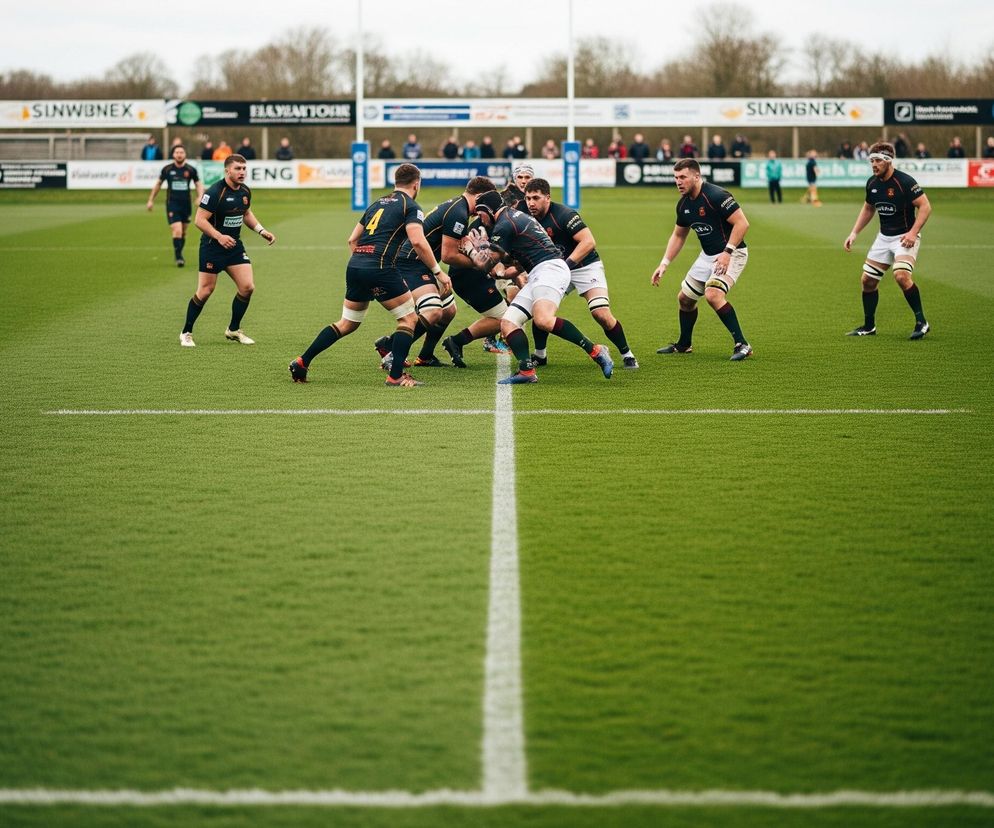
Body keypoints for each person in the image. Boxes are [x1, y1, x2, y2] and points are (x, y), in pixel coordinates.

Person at [289, 163, 441, 387]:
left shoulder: (377, 203)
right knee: (409, 318)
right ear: (416, 184)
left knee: (347, 323)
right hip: (380, 266)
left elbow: (352, 240)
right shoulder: (411, 206)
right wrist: (438, 272)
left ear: (395, 182)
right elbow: (418, 241)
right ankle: (396, 376)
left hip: (356, 265)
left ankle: (303, 360)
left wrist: (364, 264)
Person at [460, 190, 614, 385]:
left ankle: (597, 351)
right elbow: (509, 260)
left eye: (480, 214)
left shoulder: (504, 224)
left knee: (543, 320)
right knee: (508, 323)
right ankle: (526, 371)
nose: (479, 219)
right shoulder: (512, 218)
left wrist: (472, 250)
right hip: (540, 272)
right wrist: (490, 257)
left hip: (550, 269)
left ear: (488, 210)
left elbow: (487, 265)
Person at [376, 177, 507, 371]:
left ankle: (425, 356)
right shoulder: (458, 212)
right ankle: (391, 348)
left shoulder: (458, 206)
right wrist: (481, 264)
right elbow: (449, 256)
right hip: (410, 263)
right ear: (479, 196)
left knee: (448, 311)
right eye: (485, 201)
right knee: (434, 312)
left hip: (421, 264)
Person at [523, 178, 638, 369]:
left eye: (536, 198)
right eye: (528, 198)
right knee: (540, 309)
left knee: (601, 313)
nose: (531, 203)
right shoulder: (526, 217)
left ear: (548, 198)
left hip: (585, 266)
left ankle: (627, 354)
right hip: (554, 268)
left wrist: (565, 265)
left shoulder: (565, 214)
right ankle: (540, 355)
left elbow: (588, 242)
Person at [650, 158, 753, 362]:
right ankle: (684, 344)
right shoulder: (684, 205)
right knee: (685, 299)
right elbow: (679, 235)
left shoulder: (716, 195)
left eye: (683, 177)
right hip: (707, 256)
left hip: (733, 253)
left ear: (696, 176)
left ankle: (743, 344)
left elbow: (742, 223)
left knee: (713, 295)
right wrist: (664, 263)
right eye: (676, 178)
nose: (678, 182)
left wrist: (727, 252)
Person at [179, 154, 276, 348]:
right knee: (206, 291)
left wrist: (261, 230)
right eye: (237, 169)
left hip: (234, 247)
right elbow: (199, 220)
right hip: (212, 247)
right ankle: (186, 332)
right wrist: (219, 236)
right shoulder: (215, 192)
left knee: (247, 287)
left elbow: (246, 213)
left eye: (244, 168)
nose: (242, 172)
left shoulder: (245, 191)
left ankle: (233, 330)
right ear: (227, 171)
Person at [843, 141, 932, 340]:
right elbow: (868, 208)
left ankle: (921, 322)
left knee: (901, 275)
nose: (873, 165)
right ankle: (869, 326)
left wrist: (912, 233)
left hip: (905, 237)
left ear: (888, 161)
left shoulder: (905, 182)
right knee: (867, 281)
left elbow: (925, 207)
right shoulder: (872, 183)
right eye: (871, 161)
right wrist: (854, 233)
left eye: (877, 161)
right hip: (884, 237)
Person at [146, 144, 205, 268]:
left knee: (183, 232)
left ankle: (179, 252)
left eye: (181, 152)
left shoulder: (190, 170)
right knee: (177, 229)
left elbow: (199, 184)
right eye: (177, 152)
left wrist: (200, 197)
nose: (179, 154)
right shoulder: (167, 169)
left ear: (185, 154)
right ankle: (178, 257)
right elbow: (158, 184)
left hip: (186, 205)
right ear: (173, 155)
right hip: (172, 204)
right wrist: (151, 200)